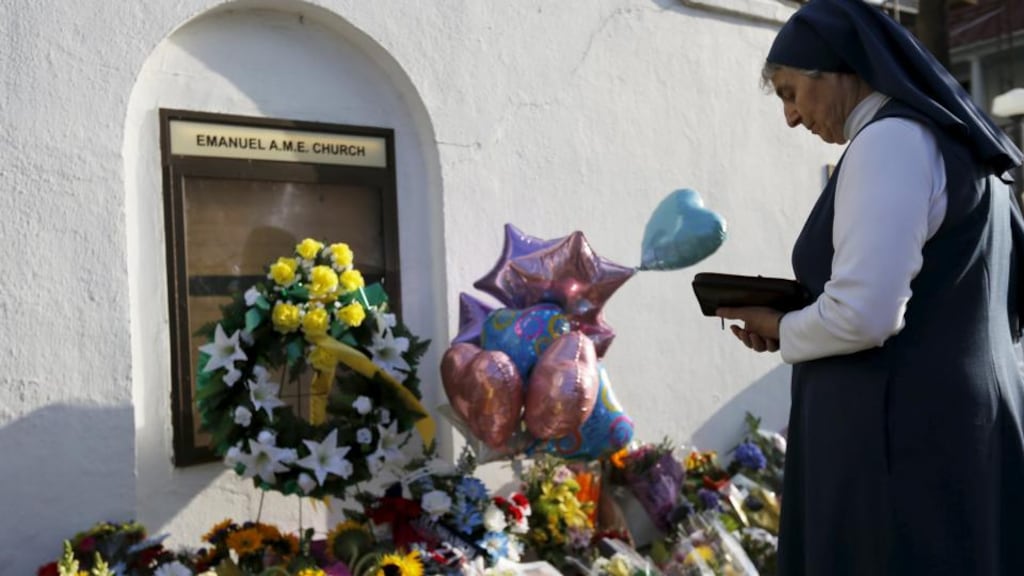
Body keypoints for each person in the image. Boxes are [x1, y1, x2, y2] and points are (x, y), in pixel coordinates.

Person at [715, 1, 1024, 574]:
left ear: (837, 70)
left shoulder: (891, 144)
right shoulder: (959, 148)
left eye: (789, 93)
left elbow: (866, 314)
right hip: (955, 425)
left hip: (899, 441)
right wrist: (802, 318)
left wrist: (782, 327)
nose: (790, 117)